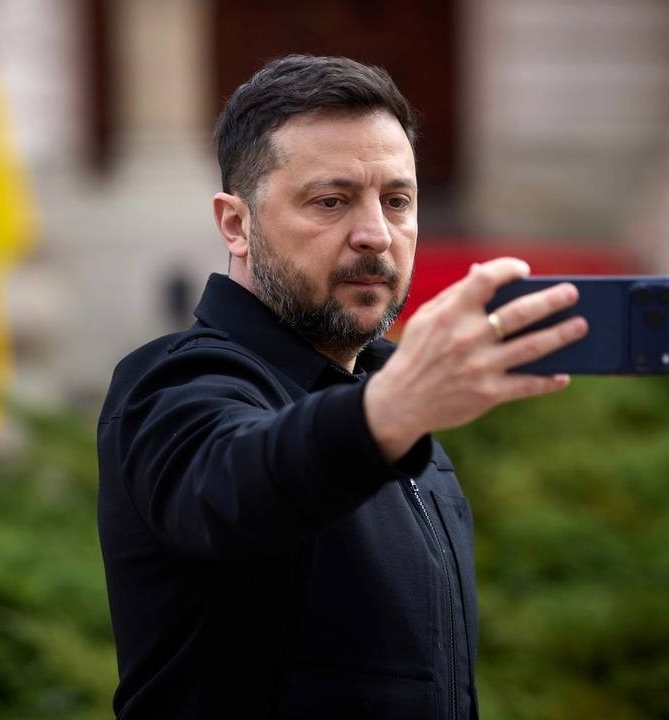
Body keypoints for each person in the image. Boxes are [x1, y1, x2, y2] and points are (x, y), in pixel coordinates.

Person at [96, 54, 587, 720]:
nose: (375, 235)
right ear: (235, 225)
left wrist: (397, 401)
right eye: (331, 201)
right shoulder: (172, 383)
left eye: (397, 201)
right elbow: (231, 487)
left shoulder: (391, 396)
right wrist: (394, 407)